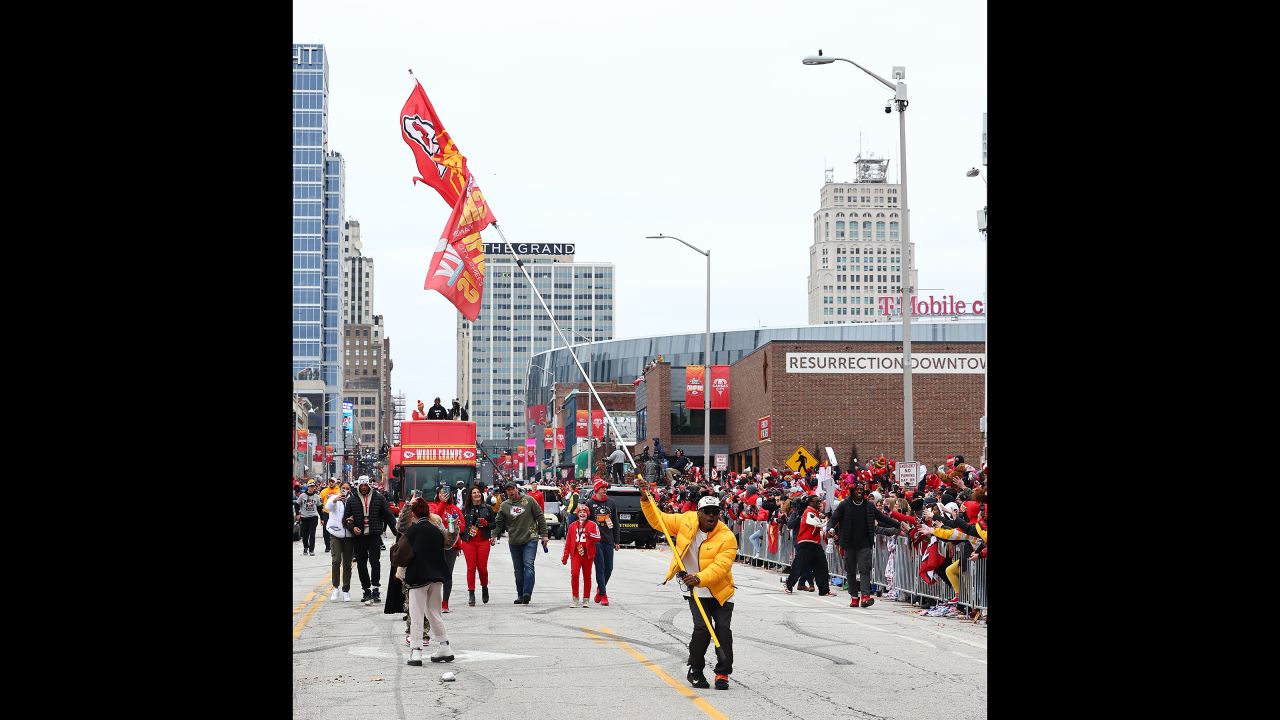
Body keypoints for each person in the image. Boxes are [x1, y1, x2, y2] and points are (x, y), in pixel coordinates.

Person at [637, 476, 737, 691]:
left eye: (716, 512)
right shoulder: (686, 521)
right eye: (708, 512)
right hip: (696, 591)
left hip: (719, 590)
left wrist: (699, 577)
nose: (712, 516)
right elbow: (658, 520)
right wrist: (645, 498)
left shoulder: (727, 537)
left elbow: (721, 566)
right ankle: (696, 670)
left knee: (722, 630)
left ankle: (722, 673)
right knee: (701, 629)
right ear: (699, 513)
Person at [827, 479, 912, 608]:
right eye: (857, 490)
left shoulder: (869, 505)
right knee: (850, 571)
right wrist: (830, 528)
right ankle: (854, 596)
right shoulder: (845, 504)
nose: (860, 492)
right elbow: (833, 519)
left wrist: (898, 524)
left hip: (865, 543)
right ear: (852, 491)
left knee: (865, 569)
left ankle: (865, 596)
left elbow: (882, 518)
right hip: (848, 543)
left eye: (862, 490)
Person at [402, 497, 455, 666]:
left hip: (418, 577)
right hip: (437, 577)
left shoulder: (412, 531)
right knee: (434, 612)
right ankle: (444, 646)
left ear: (413, 513)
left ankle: (416, 651)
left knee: (416, 614)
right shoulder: (436, 530)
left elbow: (401, 552)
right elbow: (448, 543)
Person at [492, 482, 548, 604]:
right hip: (514, 541)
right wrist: (494, 535)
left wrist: (544, 535)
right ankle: (520, 595)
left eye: (512, 489)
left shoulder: (529, 500)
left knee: (528, 565)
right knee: (518, 570)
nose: (511, 492)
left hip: (530, 538)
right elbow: (499, 523)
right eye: (508, 490)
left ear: (517, 489)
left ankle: (527, 593)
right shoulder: (504, 505)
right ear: (506, 492)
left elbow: (540, 516)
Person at [346, 476, 400, 606]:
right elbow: (346, 519)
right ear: (358, 486)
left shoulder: (379, 498)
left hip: (374, 535)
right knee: (361, 564)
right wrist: (353, 528)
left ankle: (375, 588)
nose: (364, 488)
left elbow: (388, 515)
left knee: (375, 562)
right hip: (359, 537)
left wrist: (398, 533)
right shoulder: (352, 500)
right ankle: (366, 590)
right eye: (361, 486)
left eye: (366, 486)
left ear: (369, 486)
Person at [783, 494, 835, 596]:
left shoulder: (815, 513)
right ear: (811, 502)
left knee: (822, 567)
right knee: (799, 566)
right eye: (817, 501)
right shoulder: (808, 512)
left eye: (820, 501)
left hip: (815, 543)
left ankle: (824, 590)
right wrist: (824, 519)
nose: (819, 503)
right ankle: (788, 585)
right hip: (806, 543)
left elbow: (818, 526)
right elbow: (819, 524)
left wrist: (823, 518)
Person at [429, 485, 464, 612]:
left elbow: (463, 526)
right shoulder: (433, 506)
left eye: (446, 493)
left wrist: (457, 525)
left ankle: (445, 603)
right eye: (441, 493)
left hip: (452, 547)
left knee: (447, 574)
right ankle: (433, 602)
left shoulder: (455, 509)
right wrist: (442, 503)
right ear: (437, 494)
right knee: (434, 574)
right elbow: (433, 520)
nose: (444, 495)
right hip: (435, 545)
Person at [585, 479, 619, 605]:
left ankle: (600, 589)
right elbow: (586, 523)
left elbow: (615, 522)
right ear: (596, 489)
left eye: (606, 487)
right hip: (596, 541)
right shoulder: (590, 503)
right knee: (600, 567)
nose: (605, 489)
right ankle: (604, 595)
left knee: (609, 568)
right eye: (602, 487)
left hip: (608, 540)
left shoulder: (611, 503)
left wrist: (617, 540)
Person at [461, 485, 496, 605]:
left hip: (483, 541)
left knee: (482, 568)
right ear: (470, 496)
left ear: (481, 494)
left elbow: (494, 525)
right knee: (471, 568)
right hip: (468, 541)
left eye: (478, 492)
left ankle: (484, 587)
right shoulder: (465, 509)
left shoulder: (488, 508)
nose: (476, 494)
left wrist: (486, 524)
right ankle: (471, 593)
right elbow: (461, 526)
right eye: (474, 493)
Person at [561, 504, 601, 607]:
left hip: (588, 553)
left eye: (584, 512)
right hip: (576, 553)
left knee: (587, 576)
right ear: (577, 514)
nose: (582, 514)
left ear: (587, 514)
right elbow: (568, 542)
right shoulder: (572, 526)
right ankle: (575, 598)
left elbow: (598, 537)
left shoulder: (593, 524)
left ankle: (586, 599)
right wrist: (565, 556)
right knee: (574, 574)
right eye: (580, 512)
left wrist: (589, 534)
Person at [324, 483, 355, 601]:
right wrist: (335, 500)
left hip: (349, 535)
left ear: (350, 490)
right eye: (343, 488)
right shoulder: (334, 497)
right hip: (335, 534)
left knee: (347, 564)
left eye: (347, 488)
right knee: (336, 560)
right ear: (340, 488)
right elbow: (328, 507)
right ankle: (335, 587)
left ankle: (346, 590)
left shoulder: (353, 500)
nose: (345, 490)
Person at [295, 481, 322, 556]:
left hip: (313, 517)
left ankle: (311, 550)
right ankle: (305, 547)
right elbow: (297, 505)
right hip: (304, 517)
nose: (312, 488)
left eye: (313, 486)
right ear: (308, 487)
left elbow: (319, 508)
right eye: (310, 486)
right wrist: (297, 514)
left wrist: (322, 518)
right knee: (305, 534)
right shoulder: (302, 496)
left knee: (312, 534)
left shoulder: (316, 496)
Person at [318, 478, 339, 553]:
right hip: (326, 513)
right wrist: (321, 517)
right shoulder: (324, 491)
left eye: (332, 482)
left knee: (335, 529)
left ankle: (335, 545)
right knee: (326, 529)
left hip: (335, 513)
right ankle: (327, 546)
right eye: (329, 482)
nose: (331, 483)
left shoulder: (338, 490)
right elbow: (319, 502)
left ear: (335, 483)